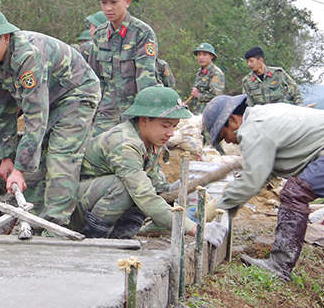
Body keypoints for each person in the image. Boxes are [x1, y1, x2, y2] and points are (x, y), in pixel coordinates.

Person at [203, 95, 324, 308]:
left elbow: (253, 180)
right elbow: (263, 172)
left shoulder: (253, 127)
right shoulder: (268, 116)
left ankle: (279, 267)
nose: (230, 142)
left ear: (233, 120)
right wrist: (229, 206)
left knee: (295, 192)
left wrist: (213, 209)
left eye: (224, 136)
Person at [0, 7, 101, 230]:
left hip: (76, 93)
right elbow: (2, 110)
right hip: (49, 98)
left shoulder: (28, 57)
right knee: (34, 160)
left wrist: (19, 169)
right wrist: (6, 157)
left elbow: (36, 118)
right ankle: (32, 222)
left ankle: (55, 227)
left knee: (60, 156)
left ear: (5, 38)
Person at [74, 86, 228, 245]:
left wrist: (173, 190)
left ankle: (118, 239)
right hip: (76, 206)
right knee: (126, 188)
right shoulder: (125, 144)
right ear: (144, 120)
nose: (171, 133)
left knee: (144, 189)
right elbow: (145, 196)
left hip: (93, 200)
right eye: (165, 125)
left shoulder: (151, 141)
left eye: (174, 126)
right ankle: (93, 240)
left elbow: (153, 183)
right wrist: (195, 229)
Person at [84, 0, 159, 135]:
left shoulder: (141, 33)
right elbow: (95, 80)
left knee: (132, 152)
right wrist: (89, 115)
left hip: (135, 111)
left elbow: (146, 82)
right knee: (93, 149)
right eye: (104, 2)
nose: (108, 8)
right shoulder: (100, 35)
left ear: (127, 2)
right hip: (107, 112)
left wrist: (147, 119)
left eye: (114, 2)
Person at [190, 42, 224, 114]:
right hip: (197, 112)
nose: (201, 57)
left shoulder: (216, 73)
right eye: (199, 54)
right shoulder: (199, 72)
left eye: (204, 54)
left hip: (210, 113)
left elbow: (215, 97)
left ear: (211, 56)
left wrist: (198, 95)